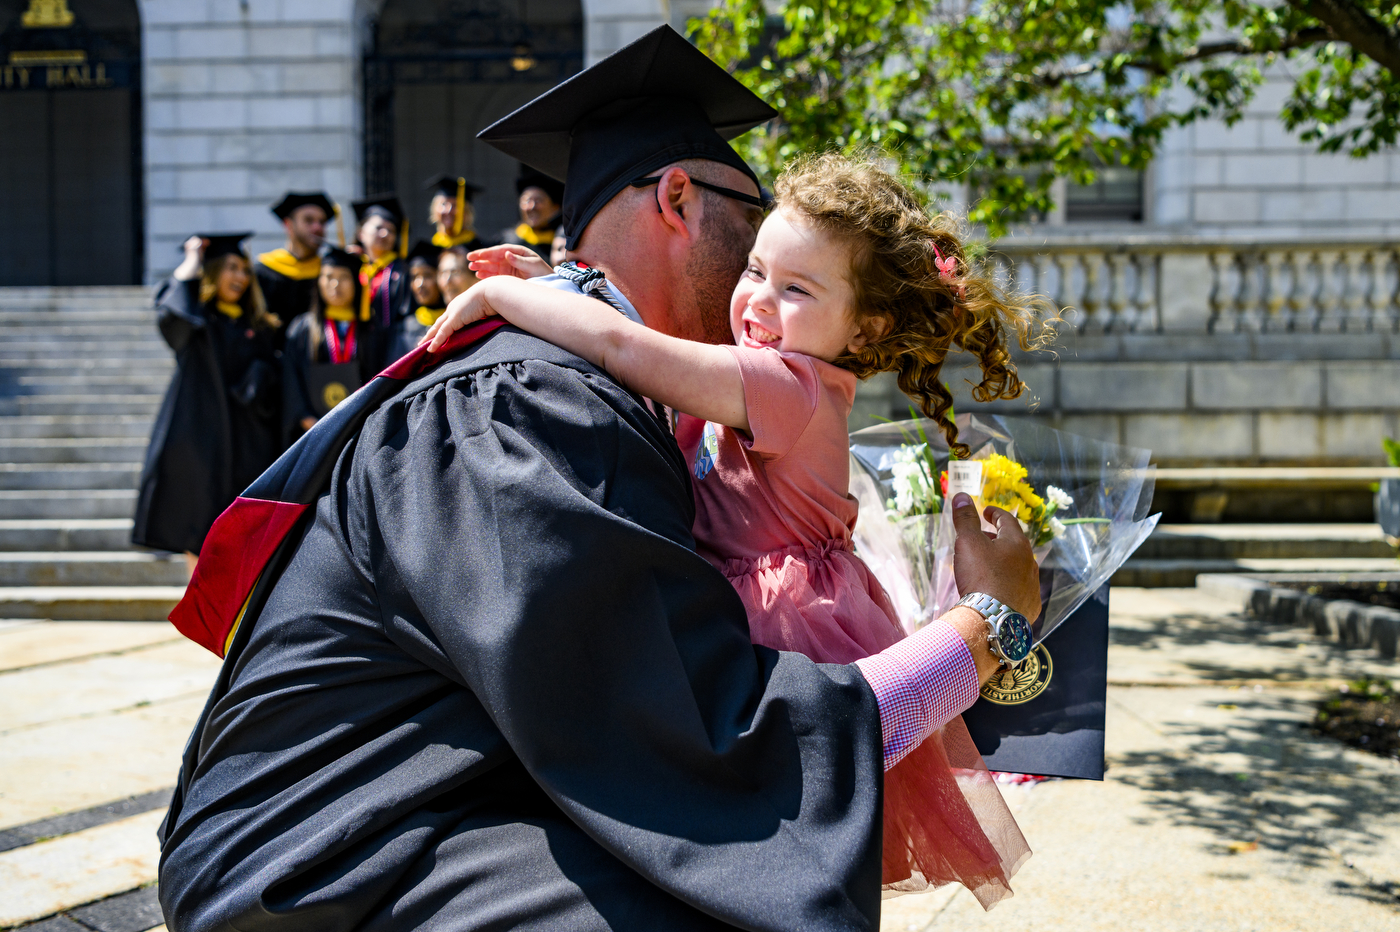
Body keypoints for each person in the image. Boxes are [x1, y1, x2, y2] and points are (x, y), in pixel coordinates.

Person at [156, 25, 1041, 931]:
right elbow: (696, 733)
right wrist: (986, 627)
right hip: (316, 860)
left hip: (406, 819)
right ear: (679, 198)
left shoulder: (580, 383)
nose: (754, 282)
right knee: (712, 901)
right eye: (749, 238)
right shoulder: (521, 399)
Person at [431, 151, 1046, 905]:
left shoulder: (789, 385)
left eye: (797, 289)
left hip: (788, 620)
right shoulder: (758, 370)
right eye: (754, 270)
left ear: (865, 326)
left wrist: (504, 297)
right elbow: (649, 374)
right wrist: (555, 287)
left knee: (783, 839)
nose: (757, 299)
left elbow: (628, 351)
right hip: (749, 595)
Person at [131, 233, 282, 574]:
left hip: (247, 441)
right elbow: (171, 318)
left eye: (244, 270)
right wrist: (191, 260)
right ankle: (200, 620)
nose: (240, 277)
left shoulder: (258, 326)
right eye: (230, 268)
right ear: (213, 272)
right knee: (199, 529)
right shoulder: (198, 323)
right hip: (202, 439)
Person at [281, 247, 371, 446]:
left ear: (356, 282)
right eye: (328, 276)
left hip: (360, 430)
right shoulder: (303, 328)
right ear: (318, 282)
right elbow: (291, 378)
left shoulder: (370, 330)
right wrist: (307, 419)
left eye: (344, 277)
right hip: (313, 432)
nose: (335, 285)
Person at [350, 194, 411, 370]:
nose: (385, 234)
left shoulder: (402, 271)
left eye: (391, 230)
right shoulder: (351, 268)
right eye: (378, 228)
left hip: (390, 351)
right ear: (361, 232)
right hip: (355, 351)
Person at [255, 192, 334, 327]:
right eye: (308, 220)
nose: (317, 227)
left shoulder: (329, 273)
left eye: (322, 222)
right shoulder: (263, 271)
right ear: (288, 224)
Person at [386, 240, 445, 361]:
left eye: (428, 275)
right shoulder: (405, 328)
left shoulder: (457, 321)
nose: (419, 284)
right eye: (414, 277)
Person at [498, 165, 564, 260]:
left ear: (555, 207)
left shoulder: (563, 243)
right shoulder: (507, 241)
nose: (531, 207)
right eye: (526, 201)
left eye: (538, 201)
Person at [425, 174, 493, 249]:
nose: (448, 210)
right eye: (443, 204)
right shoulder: (425, 254)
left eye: (455, 205)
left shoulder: (481, 251)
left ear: (467, 211)